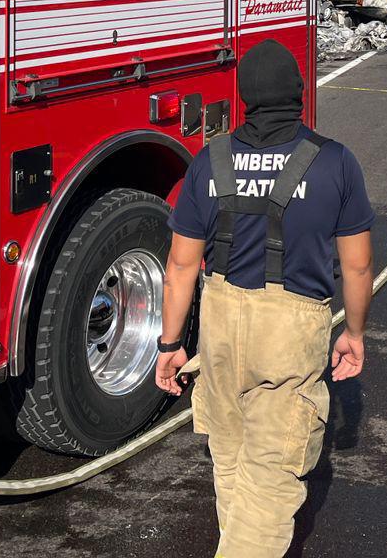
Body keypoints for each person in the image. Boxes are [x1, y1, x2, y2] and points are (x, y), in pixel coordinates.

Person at [157, 40, 375, 558]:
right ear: (299, 93)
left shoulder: (207, 162)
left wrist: (169, 343)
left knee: (231, 461)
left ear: (244, 98)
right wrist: (355, 333)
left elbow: (181, 267)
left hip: (221, 325)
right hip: (290, 329)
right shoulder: (335, 163)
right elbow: (359, 265)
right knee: (272, 477)